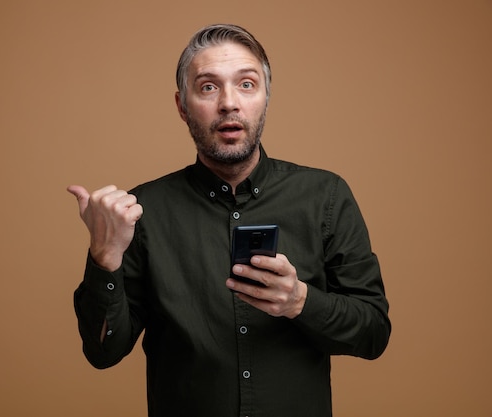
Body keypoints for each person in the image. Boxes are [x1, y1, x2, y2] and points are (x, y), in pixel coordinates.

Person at [68, 23, 390, 417]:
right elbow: (103, 352)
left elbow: (374, 333)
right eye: (208, 87)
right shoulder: (141, 213)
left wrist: (300, 301)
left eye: (247, 84)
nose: (229, 103)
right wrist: (105, 256)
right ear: (182, 106)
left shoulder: (327, 196)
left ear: (266, 98)